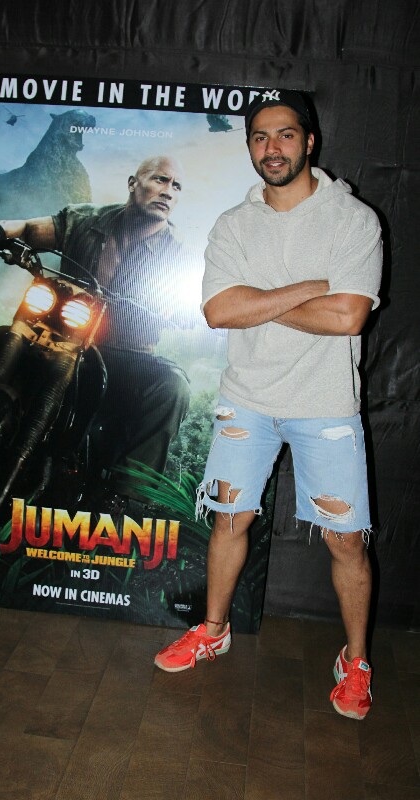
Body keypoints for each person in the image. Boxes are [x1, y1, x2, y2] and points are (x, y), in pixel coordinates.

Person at [154, 91, 382, 721]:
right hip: (246, 400)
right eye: (259, 136)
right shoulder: (234, 224)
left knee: (345, 540)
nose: (271, 148)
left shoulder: (352, 219)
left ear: (309, 141)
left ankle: (356, 661)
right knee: (229, 519)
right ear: (250, 146)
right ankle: (213, 630)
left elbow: (349, 316)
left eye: (284, 135)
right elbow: (219, 310)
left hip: (325, 404)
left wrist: (259, 300)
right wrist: (310, 287)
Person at [0, 155, 192, 504]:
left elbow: (194, 297)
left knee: (172, 385)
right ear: (133, 183)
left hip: (123, 355)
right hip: (60, 334)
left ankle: (125, 499)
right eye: (160, 180)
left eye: (176, 186)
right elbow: (30, 229)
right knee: (2, 338)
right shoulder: (84, 219)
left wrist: (184, 310)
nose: (168, 191)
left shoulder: (176, 254)